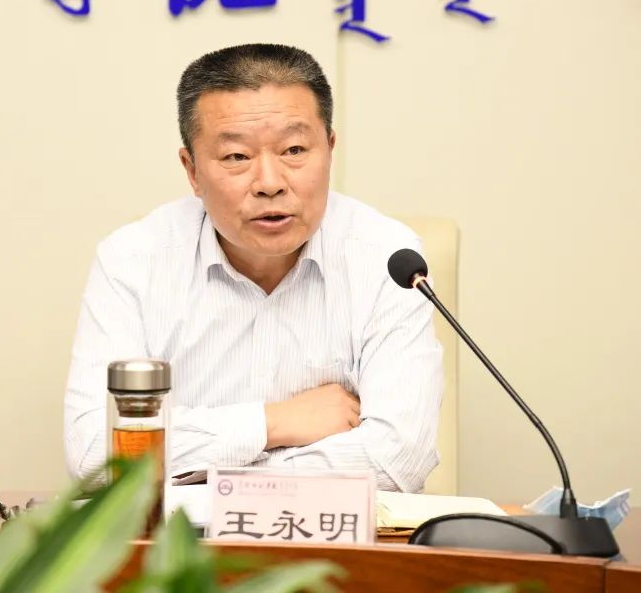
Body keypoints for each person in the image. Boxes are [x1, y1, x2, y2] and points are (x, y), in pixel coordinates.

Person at [64, 43, 443, 492]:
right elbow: (96, 455)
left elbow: (399, 459)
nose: (269, 183)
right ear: (192, 170)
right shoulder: (132, 260)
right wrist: (271, 423)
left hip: (331, 537)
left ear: (330, 149)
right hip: (182, 538)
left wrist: (214, 478)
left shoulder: (387, 258)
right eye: (236, 157)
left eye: (294, 149)